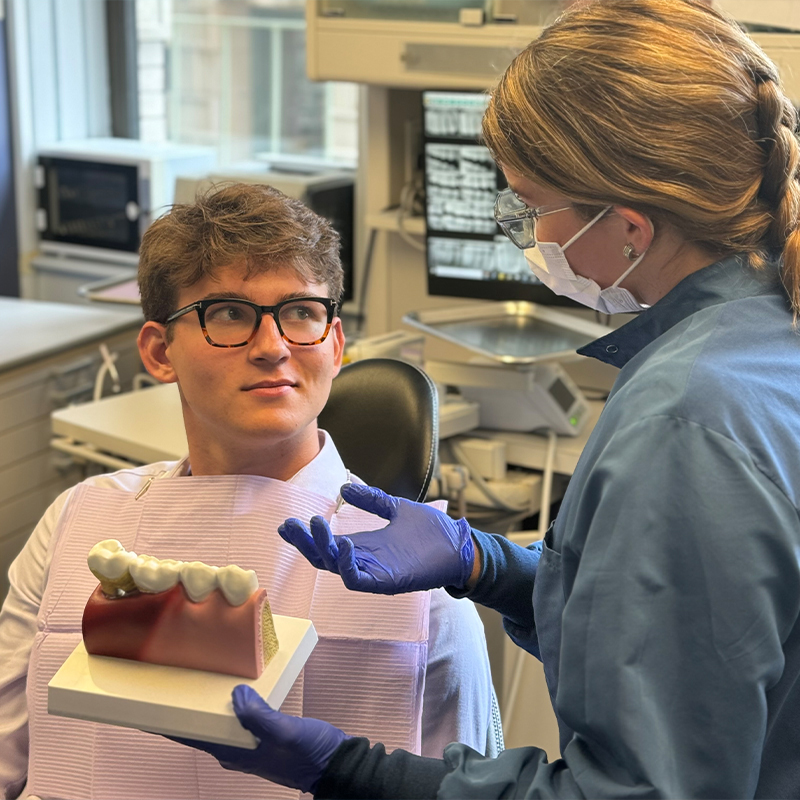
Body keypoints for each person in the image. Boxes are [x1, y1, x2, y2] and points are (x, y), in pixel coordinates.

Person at [170, 1, 800, 798]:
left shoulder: (683, 420)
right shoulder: (768, 332)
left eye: (534, 208)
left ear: (630, 227)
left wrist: (354, 770)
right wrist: (488, 563)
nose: (529, 234)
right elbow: (701, 635)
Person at [0, 183, 497, 800]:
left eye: (302, 313)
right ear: (160, 352)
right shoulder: (77, 519)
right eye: (229, 313)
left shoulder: (424, 584)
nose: (273, 347)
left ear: (335, 344)